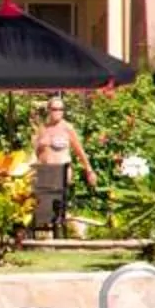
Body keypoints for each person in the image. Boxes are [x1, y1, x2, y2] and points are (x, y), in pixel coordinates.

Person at [29, 96, 96, 238]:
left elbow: (79, 151)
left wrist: (89, 170)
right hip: (44, 171)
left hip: (61, 172)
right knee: (40, 201)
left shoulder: (67, 128)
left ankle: (60, 226)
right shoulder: (43, 129)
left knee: (53, 201)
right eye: (54, 109)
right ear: (49, 110)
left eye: (61, 109)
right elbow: (35, 152)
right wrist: (40, 144)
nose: (58, 112)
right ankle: (48, 231)